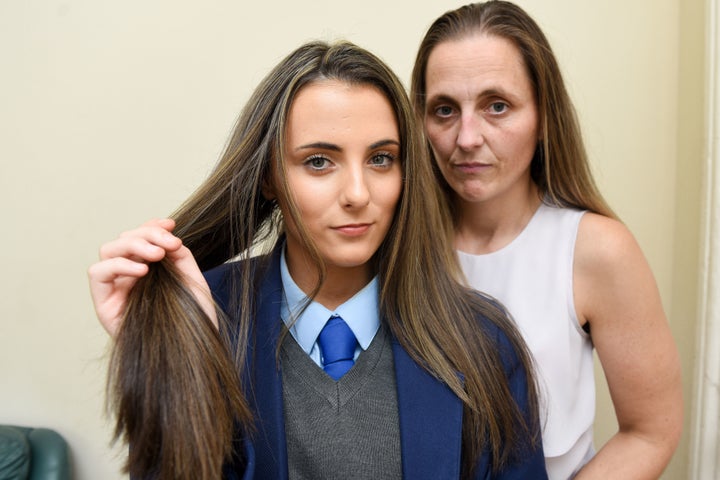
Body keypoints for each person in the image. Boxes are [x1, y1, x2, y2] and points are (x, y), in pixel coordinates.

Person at [88, 40, 548, 480]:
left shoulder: (485, 341)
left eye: (381, 159)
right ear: (270, 175)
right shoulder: (208, 318)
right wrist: (166, 353)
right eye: (319, 162)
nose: (357, 194)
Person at [410, 2, 683, 479]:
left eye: (497, 106)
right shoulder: (398, 245)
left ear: (543, 116)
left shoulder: (596, 251)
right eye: (445, 110)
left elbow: (651, 430)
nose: (467, 137)